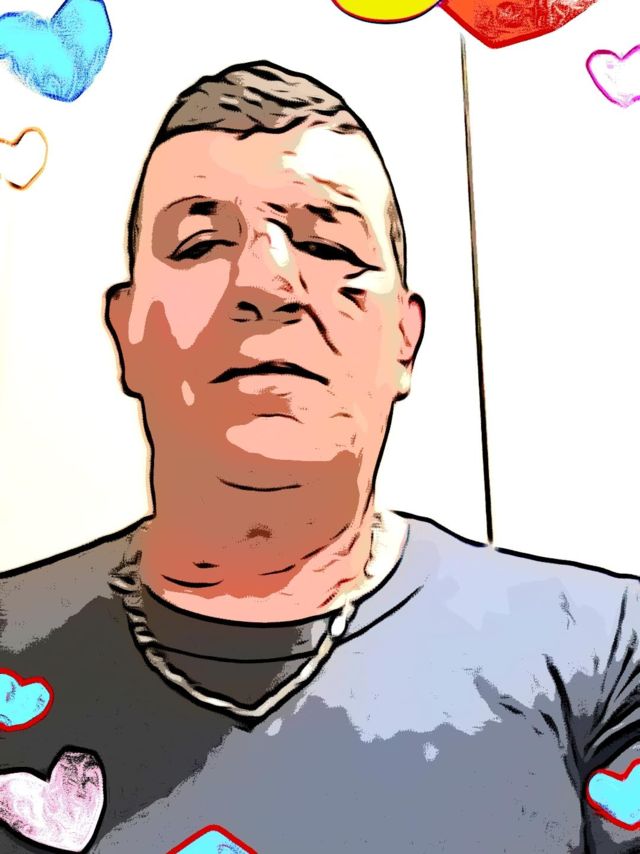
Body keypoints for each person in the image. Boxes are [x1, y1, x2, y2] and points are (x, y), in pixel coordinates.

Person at [1, 61, 640, 854]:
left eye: (328, 242)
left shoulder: (609, 653)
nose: (265, 282)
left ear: (405, 339)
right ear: (127, 333)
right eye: (199, 243)